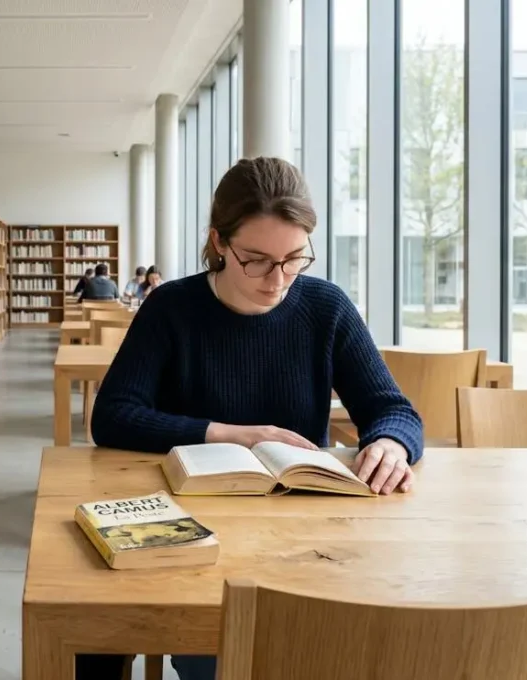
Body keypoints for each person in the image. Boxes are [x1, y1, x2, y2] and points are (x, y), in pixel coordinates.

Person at [84, 157, 423, 680]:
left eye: (294, 258)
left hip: (297, 533)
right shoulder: (171, 307)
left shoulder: (326, 307)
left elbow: (392, 409)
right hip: (191, 528)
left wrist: (391, 444)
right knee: (144, 637)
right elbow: (112, 417)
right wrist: (228, 434)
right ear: (219, 242)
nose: (279, 278)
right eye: (258, 260)